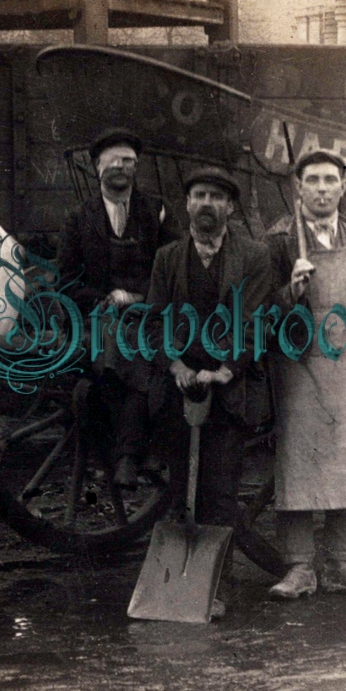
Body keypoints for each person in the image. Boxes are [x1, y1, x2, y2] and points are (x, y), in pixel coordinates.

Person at [263, 150, 346, 599]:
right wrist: (290, 290)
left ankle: (343, 564)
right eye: (313, 181)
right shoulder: (279, 240)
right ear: (297, 188)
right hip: (300, 366)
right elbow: (259, 310)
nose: (322, 189)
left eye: (330, 180)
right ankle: (299, 568)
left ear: (344, 188)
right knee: (299, 463)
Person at [142, 168, 275, 539]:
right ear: (186, 204)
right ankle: (183, 586)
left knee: (220, 492)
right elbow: (154, 323)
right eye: (199, 195)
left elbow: (254, 323)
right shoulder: (167, 258)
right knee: (180, 487)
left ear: (230, 207)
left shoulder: (253, 257)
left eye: (216, 197)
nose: (206, 204)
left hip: (230, 390)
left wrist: (226, 370)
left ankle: (219, 587)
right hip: (177, 393)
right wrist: (175, 365)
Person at [56, 128, 178, 487]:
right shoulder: (79, 219)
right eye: (114, 161)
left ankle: (126, 455)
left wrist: (140, 296)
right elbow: (64, 280)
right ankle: (126, 454)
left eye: (129, 161)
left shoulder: (155, 210)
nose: (122, 167)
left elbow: (171, 265)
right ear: (97, 168)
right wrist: (103, 299)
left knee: (133, 351)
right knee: (117, 351)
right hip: (99, 318)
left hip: (151, 314)